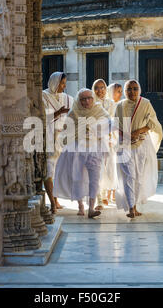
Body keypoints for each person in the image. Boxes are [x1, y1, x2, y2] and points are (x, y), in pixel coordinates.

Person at [53, 88, 114, 218]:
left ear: (93, 99)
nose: (86, 101)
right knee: (77, 177)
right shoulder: (73, 112)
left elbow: (109, 123)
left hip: (94, 148)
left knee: (95, 178)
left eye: (89, 98)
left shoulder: (98, 110)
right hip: (76, 148)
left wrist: (94, 128)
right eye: (83, 99)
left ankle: (91, 208)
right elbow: (66, 130)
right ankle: (80, 205)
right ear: (79, 100)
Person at [115, 80, 163, 218]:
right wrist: (126, 135)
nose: (132, 92)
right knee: (129, 175)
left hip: (141, 144)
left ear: (139, 90)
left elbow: (152, 124)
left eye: (135, 89)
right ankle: (131, 207)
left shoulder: (145, 104)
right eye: (129, 89)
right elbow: (116, 125)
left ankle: (135, 205)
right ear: (124, 91)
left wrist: (138, 131)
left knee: (138, 176)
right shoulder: (120, 106)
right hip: (124, 144)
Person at [42, 72, 74, 213]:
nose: (64, 86)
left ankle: (57, 198)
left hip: (64, 140)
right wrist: (58, 113)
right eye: (62, 83)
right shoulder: (43, 96)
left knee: (60, 171)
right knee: (49, 170)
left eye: (65, 83)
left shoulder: (68, 99)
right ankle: (52, 202)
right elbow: (39, 118)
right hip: (48, 139)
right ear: (55, 82)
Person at [91, 79, 117, 210]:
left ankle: (105, 194)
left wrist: (112, 138)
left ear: (106, 89)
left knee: (108, 169)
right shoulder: (91, 103)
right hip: (94, 140)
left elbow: (113, 120)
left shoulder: (111, 103)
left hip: (108, 140)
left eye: (102, 87)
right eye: (96, 87)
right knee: (97, 169)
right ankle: (99, 199)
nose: (100, 90)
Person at [104, 83, 123, 204]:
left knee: (117, 166)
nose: (120, 94)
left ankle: (114, 191)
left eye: (121, 91)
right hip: (109, 139)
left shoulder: (121, 105)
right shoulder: (108, 105)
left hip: (118, 138)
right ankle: (107, 192)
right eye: (118, 91)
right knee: (109, 166)